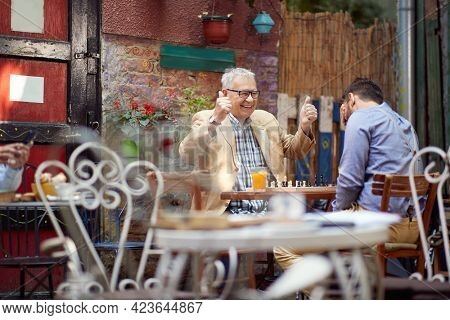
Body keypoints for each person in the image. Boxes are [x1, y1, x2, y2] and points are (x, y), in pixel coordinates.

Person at [274, 78, 422, 270]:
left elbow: (349, 181)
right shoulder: (404, 123)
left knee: (283, 247)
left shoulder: (361, 118)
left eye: (343, 106)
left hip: (374, 228)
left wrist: (336, 214)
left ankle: (336, 294)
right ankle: (348, 285)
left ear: (351, 100)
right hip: (411, 227)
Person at [179, 67, 317, 215]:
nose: (250, 99)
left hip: (271, 213)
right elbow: (187, 154)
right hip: (226, 214)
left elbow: (295, 151)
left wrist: (304, 126)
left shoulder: (266, 119)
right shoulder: (207, 119)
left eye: (254, 93)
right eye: (243, 93)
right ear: (225, 94)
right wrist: (215, 121)